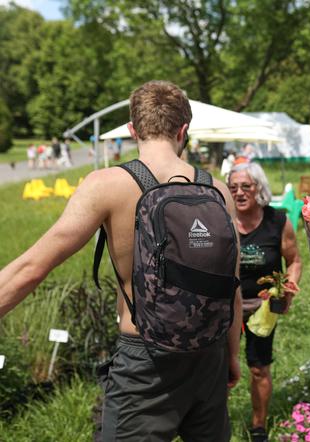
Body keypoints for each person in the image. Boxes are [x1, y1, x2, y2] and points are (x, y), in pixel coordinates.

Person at [0, 81, 242, 441]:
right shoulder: (218, 190)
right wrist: (232, 357)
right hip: (208, 358)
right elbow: (232, 288)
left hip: (145, 362)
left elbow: (33, 267)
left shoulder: (108, 184)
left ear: (133, 129)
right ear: (183, 130)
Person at [227, 162, 301, 442]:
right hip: (225, 307)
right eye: (233, 187)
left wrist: (288, 289)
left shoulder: (277, 221)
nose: (239, 192)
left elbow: (294, 260)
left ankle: (258, 427)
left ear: (259, 188)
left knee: (259, 367)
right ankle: (214, 424)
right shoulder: (221, 219)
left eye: (246, 186)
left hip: (262, 308)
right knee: (219, 367)